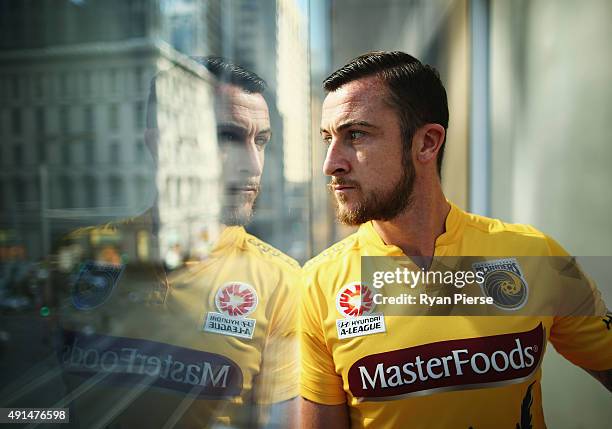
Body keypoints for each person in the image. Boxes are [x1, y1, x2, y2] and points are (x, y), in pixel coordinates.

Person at [299, 51, 612, 428]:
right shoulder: (319, 284)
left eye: (356, 135)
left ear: (427, 143)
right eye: (327, 139)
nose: (331, 164)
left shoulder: (535, 255)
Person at [54, 57, 300, 428]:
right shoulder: (80, 256)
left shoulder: (280, 280)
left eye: (260, 140)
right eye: (227, 137)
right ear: (164, 144)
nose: (253, 165)